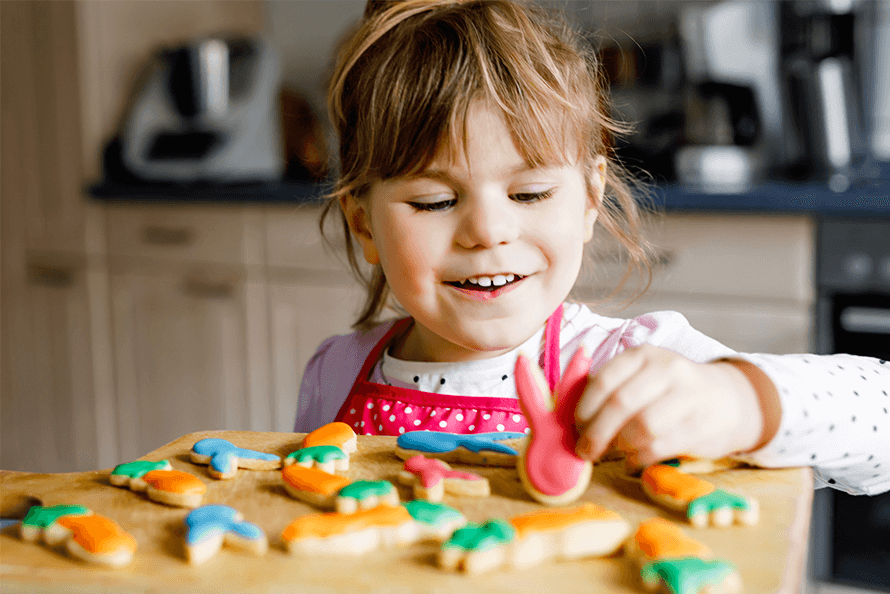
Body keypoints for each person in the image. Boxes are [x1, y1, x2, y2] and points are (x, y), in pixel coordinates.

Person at [296, 0, 889, 496]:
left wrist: (737, 402)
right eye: (432, 202)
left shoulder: (630, 367)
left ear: (587, 200)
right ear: (364, 224)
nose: (488, 231)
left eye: (528, 193)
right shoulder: (335, 372)